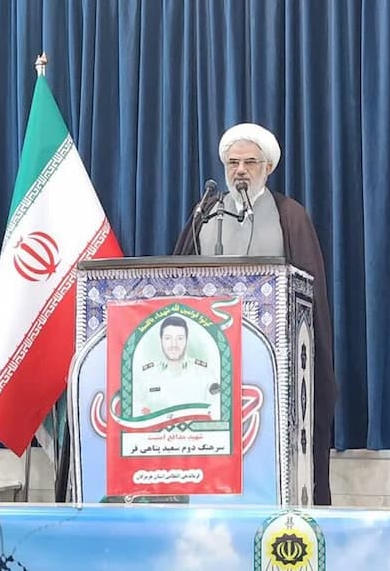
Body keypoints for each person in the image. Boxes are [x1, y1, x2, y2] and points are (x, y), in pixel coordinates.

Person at [174, 122, 338, 505]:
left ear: (268, 167)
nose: (241, 171)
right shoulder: (207, 215)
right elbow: (178, 280)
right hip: (210, 362)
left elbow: (310, 292)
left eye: (250, 162)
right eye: (233, 163)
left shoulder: (289, 215)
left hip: (274, 363)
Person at [133, 315, 220, 419]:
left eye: (180, 338)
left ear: (186, 340)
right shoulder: (146, 375)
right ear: (161, 340)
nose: (174, 344)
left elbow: (216, 412)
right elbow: (136, 411)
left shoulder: (204, 373)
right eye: (168, 338)